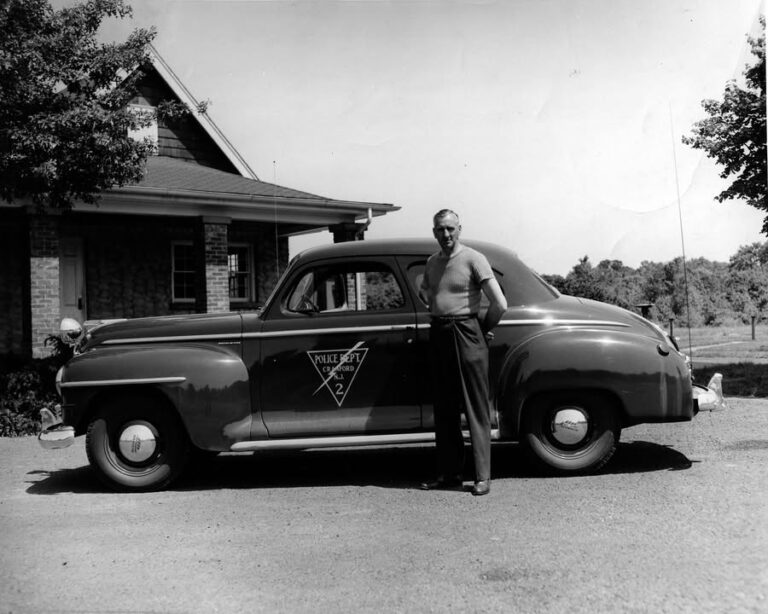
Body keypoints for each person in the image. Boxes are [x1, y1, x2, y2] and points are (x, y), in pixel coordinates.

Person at [419, 209, 507, 496]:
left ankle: (482, 476)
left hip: (467, 332)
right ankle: (448, 473)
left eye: (450, 229)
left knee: (474, 408)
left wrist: (483, 327)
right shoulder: (432, 262)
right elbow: (426, 294)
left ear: (459, 229)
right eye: (440, 230)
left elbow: (500, 303)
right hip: (440, 333)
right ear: (434, 232)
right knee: (444, 409)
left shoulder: (473, 258)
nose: (445, 235)